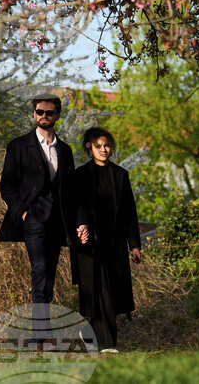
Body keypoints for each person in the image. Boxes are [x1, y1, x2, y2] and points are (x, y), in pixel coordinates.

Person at [0, 93, 90, 349]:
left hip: (58, 223)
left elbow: (72, 193)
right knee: (39, 272)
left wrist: (81, 222)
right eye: (40, 112)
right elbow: (7, 186)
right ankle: (42, 333)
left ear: (57, 115)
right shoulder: (18, 146)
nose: (44, 117)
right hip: (33, 221)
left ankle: (41, 333)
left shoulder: (65, 150)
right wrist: (24, 212)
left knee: (48, 276)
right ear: (34, 114)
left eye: (49, 113)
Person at [71, 126, 141, 353]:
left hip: (115, 243)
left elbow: (129, 213)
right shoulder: (80, 175)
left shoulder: (121, 175)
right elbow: (76, 206)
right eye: (99, 146)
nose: (104, 150)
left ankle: (91, 332)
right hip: (89, 244)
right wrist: (81, 227)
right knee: (100, 291)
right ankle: (108, 344)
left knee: (111, 290)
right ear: (89, 149)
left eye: (107, 145)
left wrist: (135, 245)